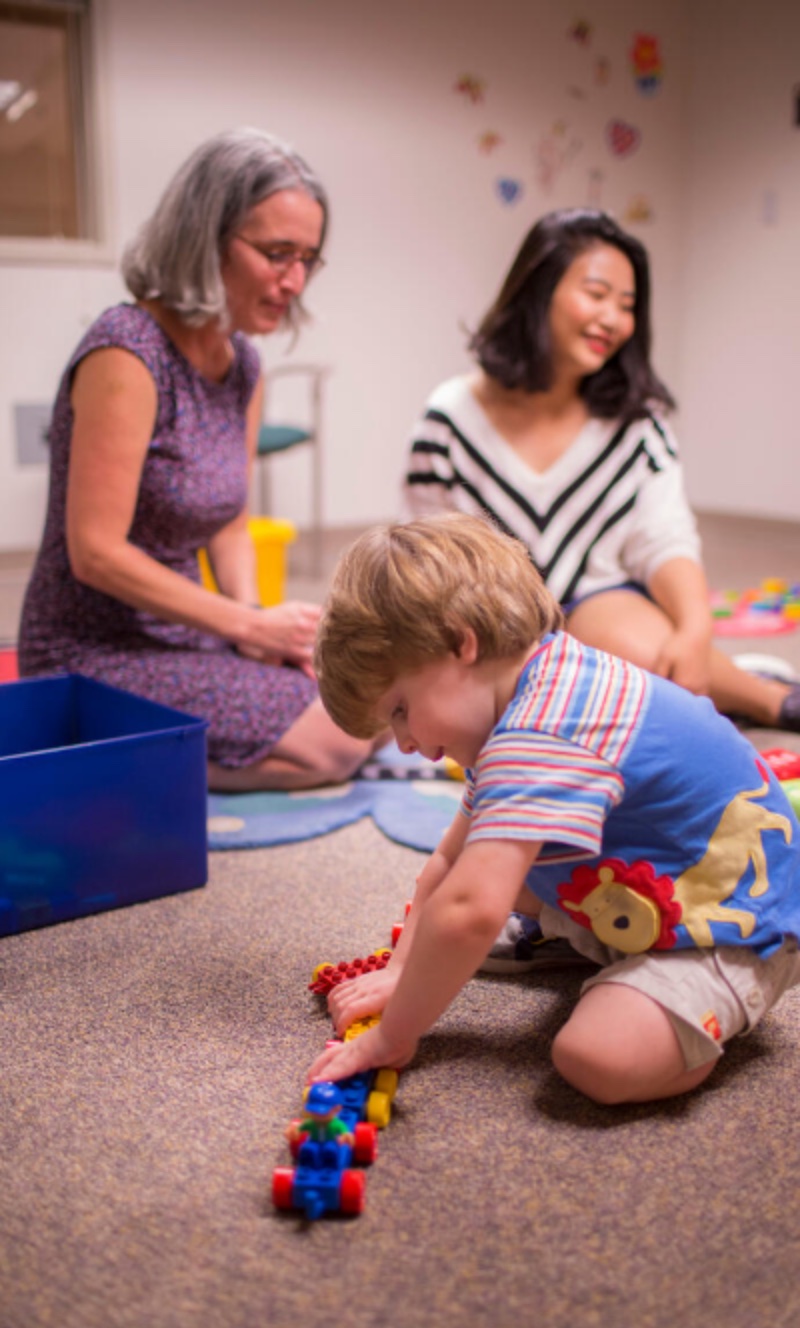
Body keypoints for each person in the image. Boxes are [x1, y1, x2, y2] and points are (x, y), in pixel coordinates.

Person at [306, 514, 800, 1105]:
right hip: (654, 877)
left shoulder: (544, 731)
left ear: (462, 643)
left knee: (594, 1056)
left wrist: (394, 1035)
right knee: (481, 877)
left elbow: (467, 912)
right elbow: (448, 862)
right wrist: (401, 972)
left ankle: (712, 1006)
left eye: (401, 710)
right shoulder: (532, 689)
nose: (405, 743)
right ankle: (602, 945)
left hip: (735, 920)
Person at [18, 128, 377, 790]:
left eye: (307, 259)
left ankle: (150, 750)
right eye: (276, 254)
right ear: (205, 237)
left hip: (186, 631)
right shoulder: (126, 351)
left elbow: (232, 522)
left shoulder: (242, 362)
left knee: (364, 695)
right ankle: (114, 761)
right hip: (95, 649)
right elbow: (93, 552)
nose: (294, 281)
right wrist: (246, 623)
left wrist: (255, 634)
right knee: (337, 742)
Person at [404, 208, 800, 733]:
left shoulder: (637, 422)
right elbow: (427, 558)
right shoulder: (450, 416)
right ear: (537, 290)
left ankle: (769, 699)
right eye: (596, 294)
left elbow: (664, 538)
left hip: (601, 607)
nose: (613, 320)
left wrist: (695, 629)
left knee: (636, 656)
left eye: (627, 305)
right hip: (491, 630)